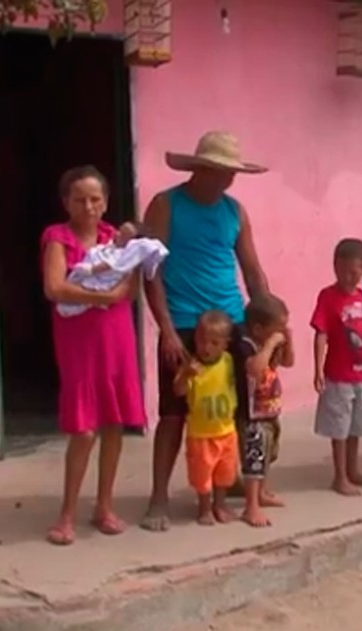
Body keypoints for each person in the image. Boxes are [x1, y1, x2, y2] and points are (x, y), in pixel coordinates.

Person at [140, 132, 270, 532]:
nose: (223, 180)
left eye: (229, 173)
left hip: (230, 321)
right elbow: (150, 270)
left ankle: (237, 489)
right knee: (175, 413)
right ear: (197, 169)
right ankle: (159, 497)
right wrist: (165, 328)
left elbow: (251, 269)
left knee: (245, 411)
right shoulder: (166, 205)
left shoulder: (235, 211)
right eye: (216, 172)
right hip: (183, 323)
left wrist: (268, 323)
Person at [40, 165, 146, 546]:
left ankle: (104, 506)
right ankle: (66, 514)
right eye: (80, 199)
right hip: (78, 342)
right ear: (66, 202)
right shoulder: (57, 237)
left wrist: (110, 295)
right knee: (83, 430)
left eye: (95, 198)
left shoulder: (115, 239)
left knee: (114, 423)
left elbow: (130, 286)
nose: (88, 206)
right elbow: (55, 288)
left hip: (115, 337)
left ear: (106, 202)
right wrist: (102, 297)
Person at [311, 238, 362, 496]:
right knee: (338, 427)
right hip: (338, 375)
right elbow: (321, 334)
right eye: (342, 270)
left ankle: (353, 469)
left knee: (356, 426)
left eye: (354, 271)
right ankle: (339, 476)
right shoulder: (327, 297)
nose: (348, 276)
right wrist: (317, 369)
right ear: (334, 267)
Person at [173, 310, 239, 525]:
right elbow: (179, 391)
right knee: (202, 475)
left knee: (224, 473)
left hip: (226, 431)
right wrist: (185, 375)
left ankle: (219, 505)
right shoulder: (192, 367)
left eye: (214, 343)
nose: (207, 348)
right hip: (201, 435)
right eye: (202, 341)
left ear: (225, 345)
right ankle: (204, 508)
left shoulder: (228, 362)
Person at [239, 294, 293, 527]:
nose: (280, 332)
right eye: (276, 328)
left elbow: (289, 362)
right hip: (251, 415)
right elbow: (255, 369)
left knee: (269, 454)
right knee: (254, 459)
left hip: (269, 412)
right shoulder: (247, 346)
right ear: (259, 329)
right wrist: (270, 345)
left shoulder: (268, 346)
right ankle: (250, 506)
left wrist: (287, 342)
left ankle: (262, 492)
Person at [58, 221, 169, 317]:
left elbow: (110, 265)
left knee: (87, 289)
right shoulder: (111, 245)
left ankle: (76, 305)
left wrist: (92, 269)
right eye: (119, 231)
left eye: (123, 236)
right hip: (94, 281)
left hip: (102, 279)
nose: (117, 234)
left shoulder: (123, 256)